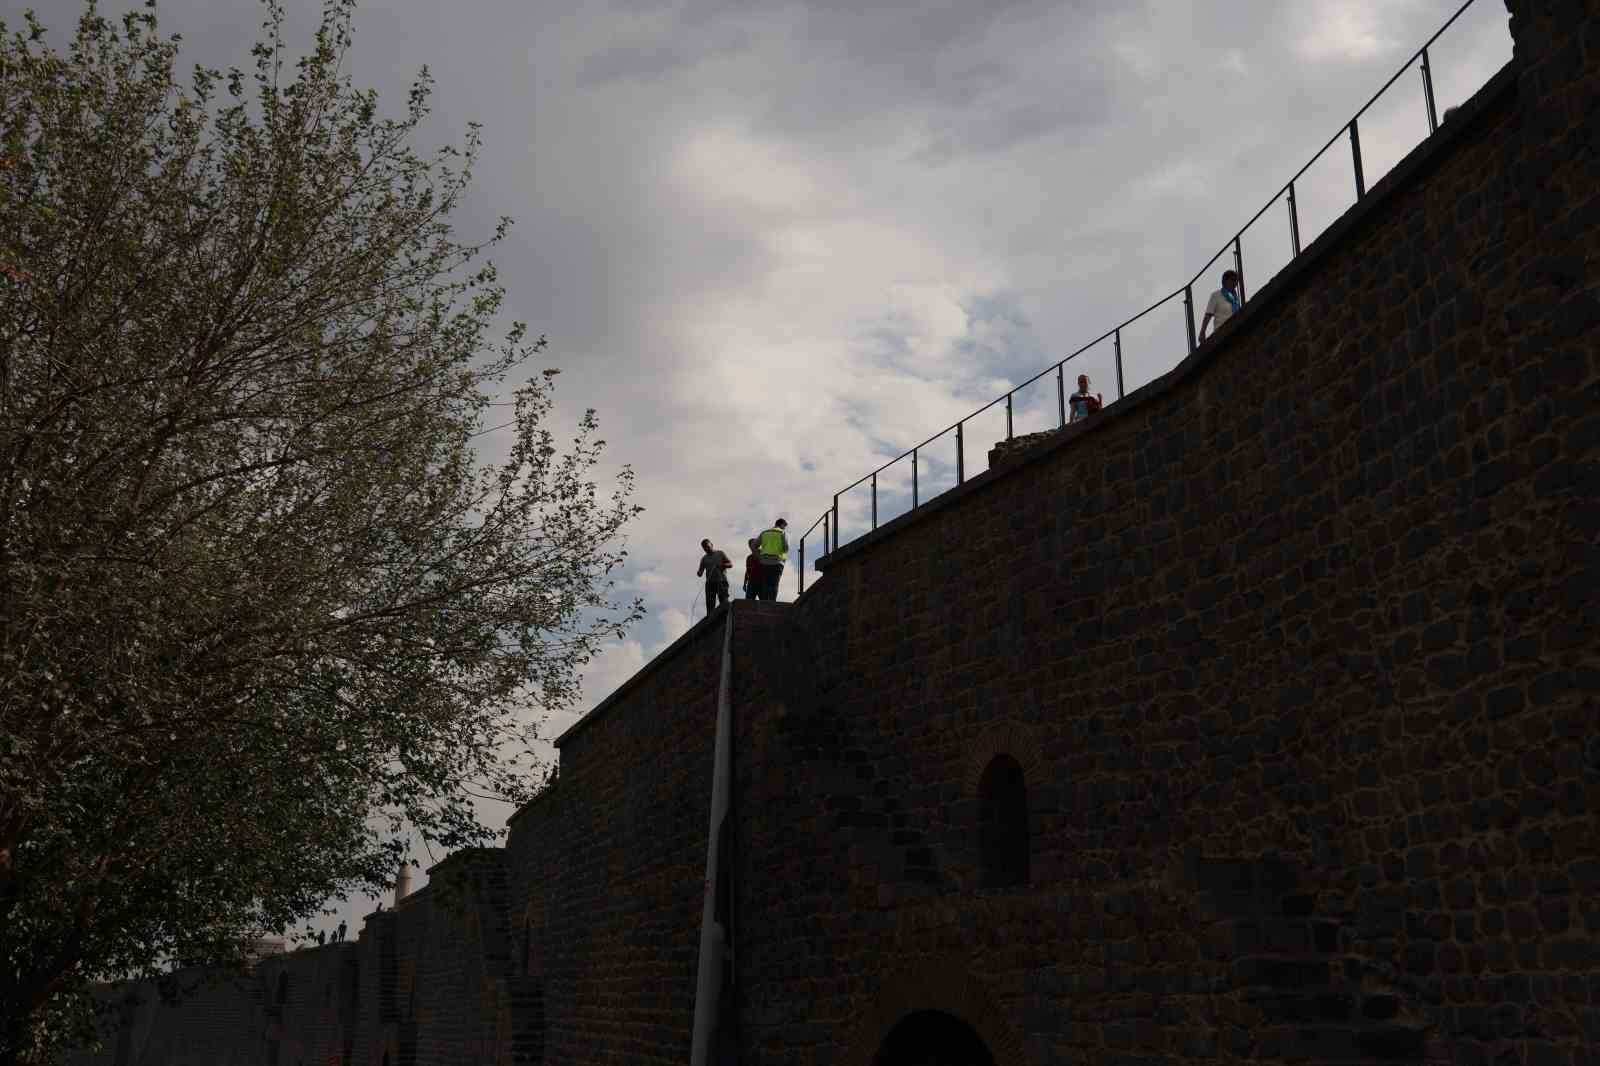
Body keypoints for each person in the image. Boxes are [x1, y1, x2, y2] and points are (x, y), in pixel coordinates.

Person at [1197, 269, 1242, 342]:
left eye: (1236, 282)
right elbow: (1208, 314)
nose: (1235, 284)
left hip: (1235, 330)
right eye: (1233, 280)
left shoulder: (1236, 299)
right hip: (1221, 333)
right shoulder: (1216, 295)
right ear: (1225, 281)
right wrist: (1202, 332)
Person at [696, 538, 732, 616]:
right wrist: (699, 573)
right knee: (710, 604)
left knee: (724, 601)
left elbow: (730, 564)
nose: (706, 549)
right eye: (704, 548)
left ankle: (726, 617)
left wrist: (722, 565)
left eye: (707, 546)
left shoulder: (720, 553)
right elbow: (700, 571)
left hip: (721, 581)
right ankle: (710, 621)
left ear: (712, 545)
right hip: (710, 583)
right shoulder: (704, 559)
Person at [756, 519, 788, 601]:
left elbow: (754, 545)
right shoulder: (782, 532)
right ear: (781, 524)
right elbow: (785, 548)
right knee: (774, 584)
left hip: (764, 562)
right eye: (784, 526)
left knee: (765, 584)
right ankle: (772, 603)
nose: (784, 528)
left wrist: (759, 556)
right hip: (777, 562)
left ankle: (764, 602)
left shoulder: (764, 533)